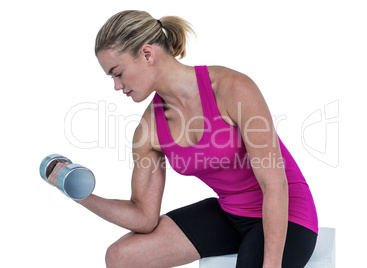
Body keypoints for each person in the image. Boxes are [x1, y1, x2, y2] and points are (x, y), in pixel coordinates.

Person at [48, 10, 318, 268]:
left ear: (146, 53)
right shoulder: (149, 129)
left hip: (288, 213)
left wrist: (271, 265)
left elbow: (275, 185)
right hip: (229, 213)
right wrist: (78, 193)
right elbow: (144, 217)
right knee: (121, 257)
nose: (117, 86)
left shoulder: (231, 88)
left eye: (117, 73)